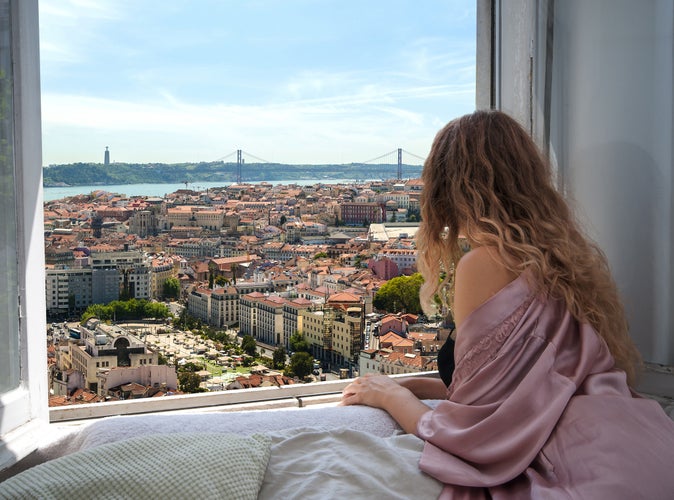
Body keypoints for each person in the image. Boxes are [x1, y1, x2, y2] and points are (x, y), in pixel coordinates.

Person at [341, 110, 674, 498]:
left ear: (449, 188)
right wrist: (413, 385)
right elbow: (519, 387)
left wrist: (391, 396)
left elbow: (477, 431)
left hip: (581, 466)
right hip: (640, 443)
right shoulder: (566, 257)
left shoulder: (484, 263)